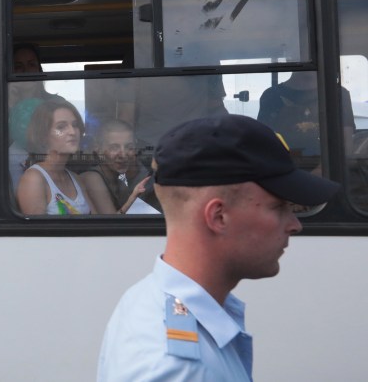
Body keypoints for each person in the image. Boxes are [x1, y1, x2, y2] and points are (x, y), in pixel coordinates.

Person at [97, 114, 340, 381]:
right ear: (219, 217)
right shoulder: (180, 371)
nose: (295, 224)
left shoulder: (145, 297)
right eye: (279, 207)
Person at [257, 71, 355, 173]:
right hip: (283, 170)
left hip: (329, 171)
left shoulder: (338, 93)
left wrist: (322, 170)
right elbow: (263, 144)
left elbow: (346, 144)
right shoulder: (271, 95)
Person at [16, 98, 96, 215]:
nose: (72, 132)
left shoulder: (75, 178)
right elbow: (36, 231)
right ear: (43, 135)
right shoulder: (34, 179)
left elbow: (97, 224)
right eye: (61, 127)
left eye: (75, 125)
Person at [80, 120, 159, 214]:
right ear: (98, 149)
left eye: (129, 147)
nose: (123, 154)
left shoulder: (120, 181)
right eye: (114, 147)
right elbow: (111, 225)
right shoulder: (92, 178)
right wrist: (132, 198)